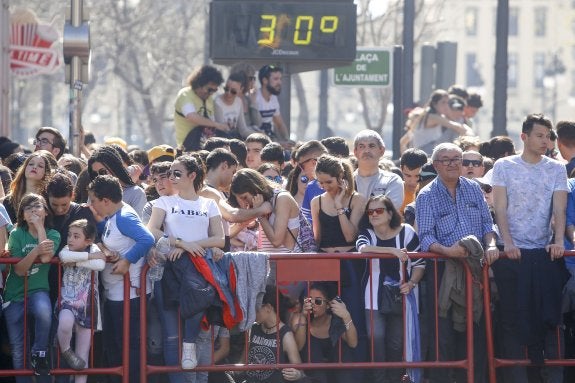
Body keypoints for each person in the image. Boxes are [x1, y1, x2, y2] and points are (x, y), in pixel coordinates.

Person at [492, 114, 569, 383]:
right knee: (512, 318)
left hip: (544, 254)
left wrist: (558, 241)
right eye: (539, 135)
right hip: (510, 254)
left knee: (548, 316)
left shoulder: (556, 169)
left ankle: (549, 376)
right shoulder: (504, 166)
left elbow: (559, 208)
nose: (545, 141)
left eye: (548, 136)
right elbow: (499, 206)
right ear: (524, 137)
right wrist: (508, 242)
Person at [415, 142, 498, 383]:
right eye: (446, 159)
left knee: (478, 331)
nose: (452, 163)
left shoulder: (474, 189)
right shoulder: (426, 195)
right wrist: (448, 251)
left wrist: (491, 245)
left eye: (456, 159)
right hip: (443, 270)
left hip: (477, 269)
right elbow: (426, 236)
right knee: (444, 334)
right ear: (435, 165)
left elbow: (487, 224)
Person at [146, 154, 225, 372]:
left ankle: (189, 344)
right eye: (170, 172)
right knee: (171, 337)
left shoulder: (208, 204)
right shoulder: (164, 202)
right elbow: (151, 230)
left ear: (192, 175)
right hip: (169, 268)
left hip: (198, 266)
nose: (171, 177)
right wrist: (181, 244)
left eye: (176, 173)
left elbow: (220, 238)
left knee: (200, 296)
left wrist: (190, 246)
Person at [87, 175, 155, 383]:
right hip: (117, 294)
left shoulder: (125, 216)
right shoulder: (113, 216)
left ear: (105, 200)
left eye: (93, 200)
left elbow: (147, 238)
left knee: (129, 347)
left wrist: (126, 261)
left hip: (130, 296)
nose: (92, 204)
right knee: (116, 345)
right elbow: (110, 235)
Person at [356, 195, 424, 383]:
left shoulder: (407, 232)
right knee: (375, 338)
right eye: (370, 212)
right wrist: (392, 251)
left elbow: (420, 263)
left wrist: (411, 284)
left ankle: (394, 379)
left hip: (402, 295)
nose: (374, 214)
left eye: (379, 210)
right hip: (373, 296)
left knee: (396, 343)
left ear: (390, 213)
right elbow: (362, 248)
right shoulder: (367, 232)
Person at [3, 194, 61, 381]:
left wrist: (39, 228)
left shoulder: (53, 234)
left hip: (38, 290)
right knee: (18, 348)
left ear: (45, 211)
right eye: (28, 208)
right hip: (14, 294)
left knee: (44, 313)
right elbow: (19, 270)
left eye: (37, 207)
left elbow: (46, 259)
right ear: (22, 214)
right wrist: (36, 250)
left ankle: (39, 354)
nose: (33, 211)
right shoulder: (16, 234)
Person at [56, 219, 106, 381]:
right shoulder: (67, 249)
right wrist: (88, 257)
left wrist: (76, 261)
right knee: (64, 323)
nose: (70, 239)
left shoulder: (95, 247)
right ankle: (65, 350)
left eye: (76, 236)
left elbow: (100, 264)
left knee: (82, 355)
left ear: (88, 240)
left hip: (88, 306)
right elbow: (64, 256)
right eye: (69, 235)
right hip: (68, 301)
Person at [228, 285, 306, 383]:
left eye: (256, 307)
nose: (252, 312)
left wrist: (297, 374)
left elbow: (300, 371)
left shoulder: (285, 334)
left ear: (268, 307)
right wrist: (230, 371)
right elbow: (244, 362)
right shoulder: (252, 328)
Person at [291, 282, 357, 383]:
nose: (312, 305)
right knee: (312, 347)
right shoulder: (299, 320)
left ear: (327, 305)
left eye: (318, 301)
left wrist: (346, 316)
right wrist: (304, 317)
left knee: (341, 350)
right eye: (309, 301)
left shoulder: (335, 320)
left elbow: (353, 343)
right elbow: (299, 347)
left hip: (337, 375)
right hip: (314, 377)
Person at [174, 65, 229, 151]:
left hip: (206, 146)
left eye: (215, 90)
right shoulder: (185, 94)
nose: (211, 93)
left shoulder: (209, 99)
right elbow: (191, 116)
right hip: (187, 148)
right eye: (209, 89)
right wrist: (216, 125)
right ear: (199, 84)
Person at [87, 145, 147, 217]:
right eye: (95, 174)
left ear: (115, 168)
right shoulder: (94, 192)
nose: (99, 177)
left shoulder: (136, 193)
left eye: (103, 172)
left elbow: (137, 224)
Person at [409, 89, 472, 155]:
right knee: (454, 130)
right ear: (434, 104)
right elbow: (458, 127)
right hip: (425, 150)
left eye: (448, 103)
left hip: (425, 149)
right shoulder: (433, 117)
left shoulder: (431, 114)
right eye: (443, 102)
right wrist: (448, 111)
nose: (446, 106)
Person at [352, 130, 404, 209]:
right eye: (361, 146)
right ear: (355, 152)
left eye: (372, 146)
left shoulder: (392, 181)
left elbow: (387, 212)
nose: (366, 151)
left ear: (382, 150)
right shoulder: (346, 182)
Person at [2, 150, 54, 222]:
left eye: (40, 166)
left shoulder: (48, 200)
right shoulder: (9, 200)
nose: (34, 167)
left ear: (45, 173)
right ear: (24, 168)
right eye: (31, 164)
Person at [256, 64, 292, 147]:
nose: (279, 82)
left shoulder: (273, 98)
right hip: (258, 142)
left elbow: (280, 124)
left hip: (271, 139)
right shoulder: (255, 98)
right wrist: (278, 143)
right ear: (265, 80)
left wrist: (287, 140)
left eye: (280, 79)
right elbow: (253, 128)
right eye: (276, 79)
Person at [215, 72, 255, 139]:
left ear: (241, 89)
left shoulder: (238, 102)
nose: (228, 93)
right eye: (226, 89)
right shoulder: (218, 102)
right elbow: (222, 131)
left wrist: (259, 136)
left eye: (233, 91)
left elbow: (243, 130)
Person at [399, 148, 428, 215]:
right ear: (401, 169)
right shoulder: (394, 192)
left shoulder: (429, 194)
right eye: (408, 176)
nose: (412, 181)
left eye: (417, 176)